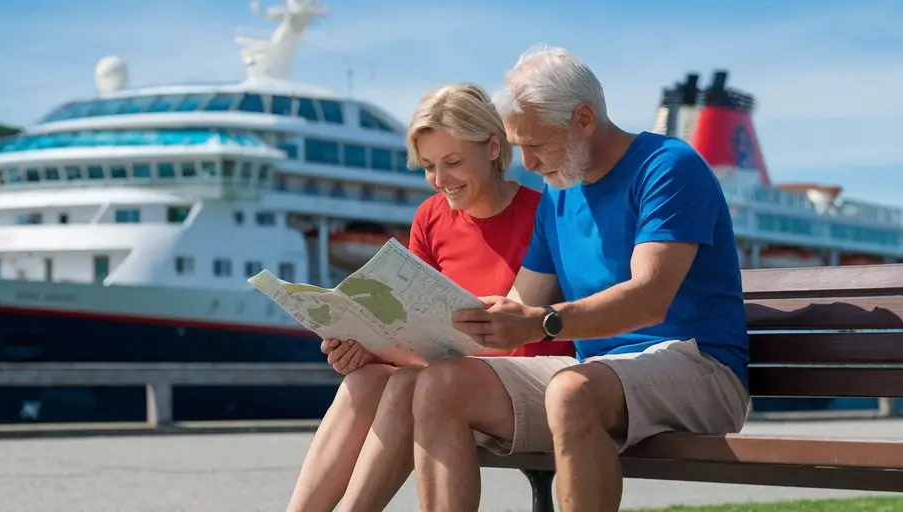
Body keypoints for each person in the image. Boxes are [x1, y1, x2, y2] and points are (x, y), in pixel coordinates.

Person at [411, 44, 752, 511]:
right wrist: (393, 335)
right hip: (593, 375)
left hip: (699, 368)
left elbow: (649, 298)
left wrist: (541, 322)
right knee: (439, 386)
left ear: (584, 119)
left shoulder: (668, 167)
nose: (527, 163)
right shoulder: (559, 194)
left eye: (536, 144)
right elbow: (519, 301)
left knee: (572, 393)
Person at [285, 82, 576, 512]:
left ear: (493, 147)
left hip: (523, 382)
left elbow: (529, 331)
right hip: (443, 377)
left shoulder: (544, 212)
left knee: (408, 383)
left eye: (453, 162)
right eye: (428, 166)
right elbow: (411, 322)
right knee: (365, 378)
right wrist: (366, 347)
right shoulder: (431, 216)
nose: (441, 181)